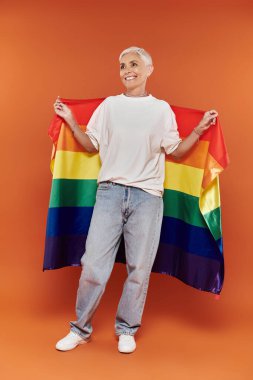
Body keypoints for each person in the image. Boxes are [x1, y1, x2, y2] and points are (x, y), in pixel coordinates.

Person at [53, 46, 218, 354]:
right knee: (93, 267)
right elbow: (90, 146)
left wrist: (198, 129)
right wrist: (72, 121)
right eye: (122, 65)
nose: (127, 69)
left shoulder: (161, 110)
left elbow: (177, 151)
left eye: (134, 64)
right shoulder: (109, 106)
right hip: (110, 192)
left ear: (148, 70)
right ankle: (80, 329)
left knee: (139, 268)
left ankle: (126, 328)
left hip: (148, 198)